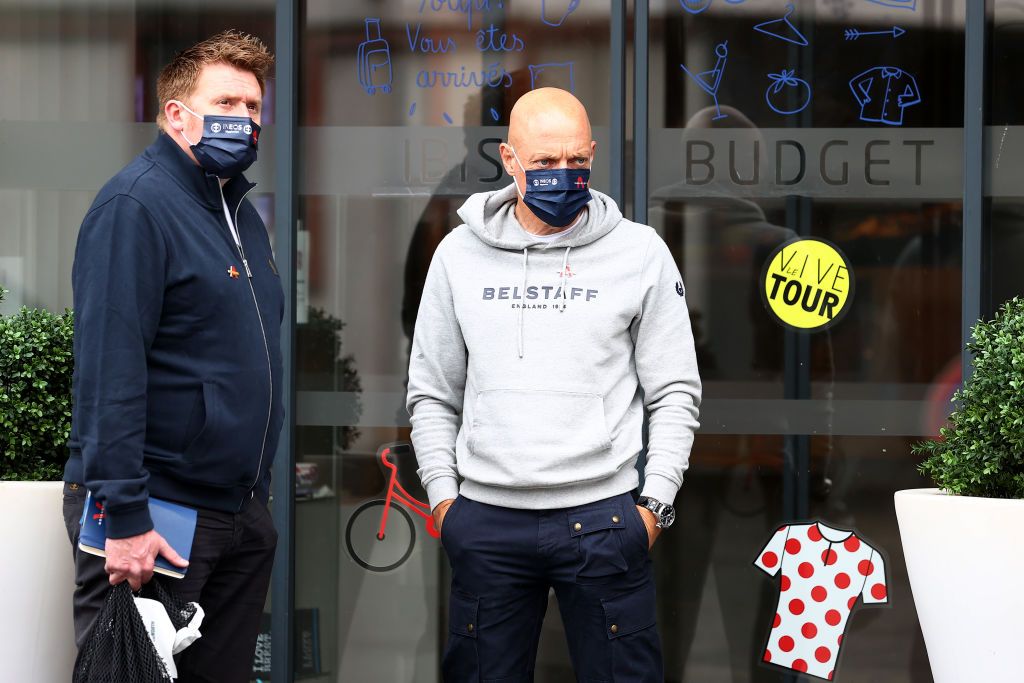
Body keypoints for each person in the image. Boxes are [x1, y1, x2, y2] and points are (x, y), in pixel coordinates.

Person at [406, 87, 702, 682]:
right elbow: (432, 392)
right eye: (543, 163)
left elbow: (675, 391)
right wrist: (445, 503)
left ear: (593, 154)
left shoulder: (640, 252)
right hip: (486, 521)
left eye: (576, 161)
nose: (561, 175)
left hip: (605, 520)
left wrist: (655, 507)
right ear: (509, 159)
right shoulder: (457, 254)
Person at [61, 30, 282, 682]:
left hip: (234, 514)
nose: (244, 119)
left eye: (253, 106)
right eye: (228, 102)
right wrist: (126, 515)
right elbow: (110, 370)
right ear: (176, 114)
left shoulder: (238, 212)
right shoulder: (136, 205)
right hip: (155, 514)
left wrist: (258, 500)